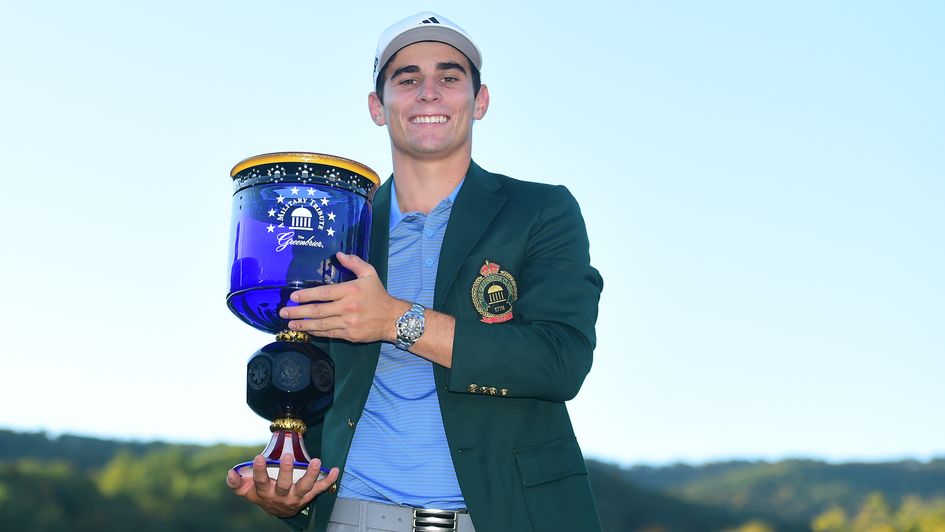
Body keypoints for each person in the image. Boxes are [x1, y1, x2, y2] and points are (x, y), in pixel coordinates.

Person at [227, 12, 603, 532]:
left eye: (449, 77)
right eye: (407, 79)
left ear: (480, 100)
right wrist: (291, 495)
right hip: (353, 519)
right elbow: (310, 387)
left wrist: (395, 321)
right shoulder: (332, 237)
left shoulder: (538, 211)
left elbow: (560, 361)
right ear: (377, 107)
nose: (429, 92)